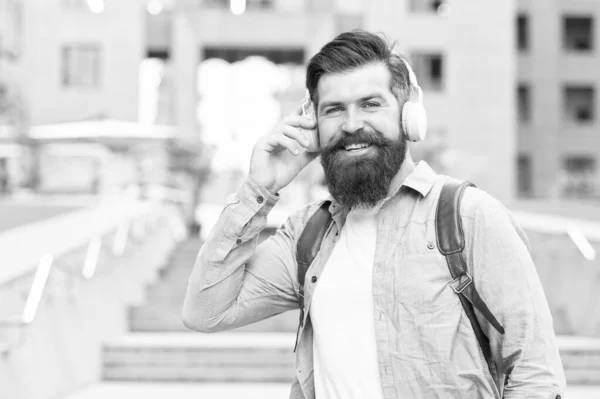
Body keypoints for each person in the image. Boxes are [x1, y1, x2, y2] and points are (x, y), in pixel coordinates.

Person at [183, 30, 565, 399]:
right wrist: (260, 187)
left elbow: (535, 374)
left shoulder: (470, 218)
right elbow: (206, 311)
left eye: (370, 104)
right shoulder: (307, 235)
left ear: (407, 114)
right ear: (313, 124)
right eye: (334, 110)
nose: (352, 125)